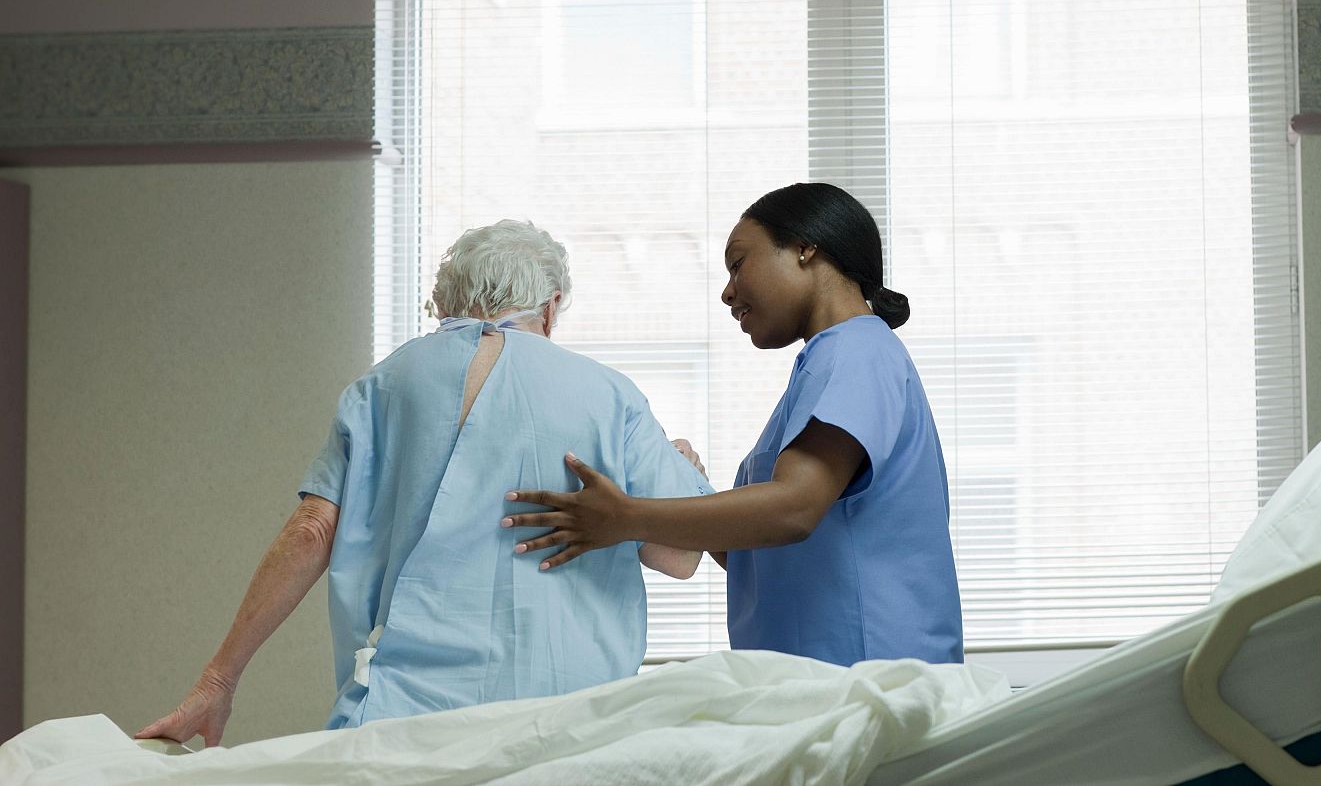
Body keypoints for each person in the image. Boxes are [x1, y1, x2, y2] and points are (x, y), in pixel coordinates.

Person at [137, 220, 710, 746]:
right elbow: (681, 558)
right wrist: (690, 473)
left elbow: (313, 531)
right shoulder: (607, 395)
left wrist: (217, 681)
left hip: (406, 717)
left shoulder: (383, 386)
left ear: (445, 303)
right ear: (552, 305)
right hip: (569, 718)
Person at [503, 183, 963, 666]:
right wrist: (680, 485)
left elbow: (794, 509)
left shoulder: (858, 351)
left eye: (738, 264)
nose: (727, 293)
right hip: (822, 677)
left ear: (807, 248)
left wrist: (625, 517)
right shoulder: (826, 367)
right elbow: (755, 550)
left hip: (870, 676)